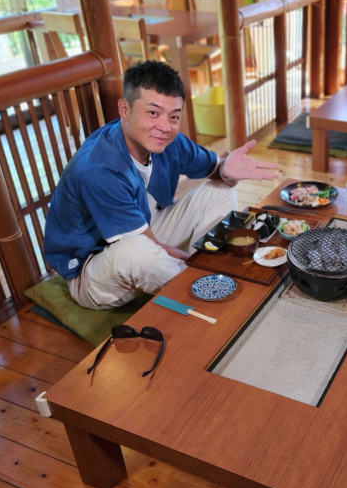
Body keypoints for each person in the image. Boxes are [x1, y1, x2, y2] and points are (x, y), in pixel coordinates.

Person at [44, 61, 278, 310]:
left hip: (147, 236)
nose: (165, 127)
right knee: (136, 250)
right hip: (94, 272)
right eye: (153, 113)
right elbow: (144, 245)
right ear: (125, 109)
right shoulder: (99, 167)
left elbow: (217, 171)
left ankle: (206, 271)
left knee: (219, 190)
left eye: (173, 116)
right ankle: (206, 287)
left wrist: (226, 171)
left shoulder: (167, 141)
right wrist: (188, 260)